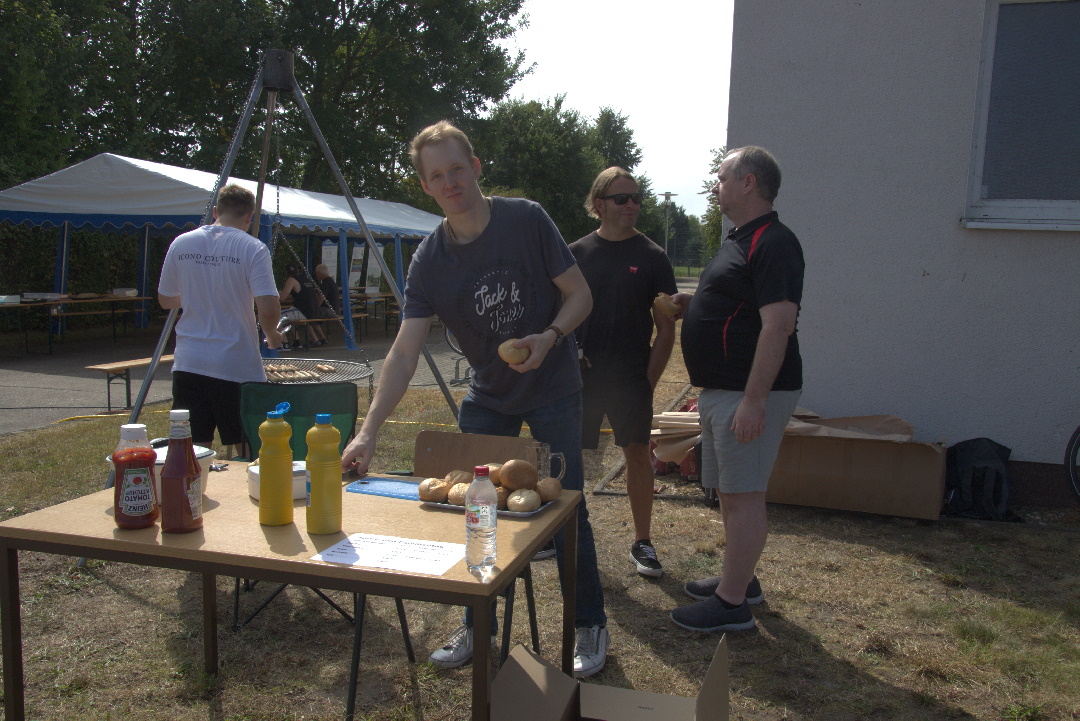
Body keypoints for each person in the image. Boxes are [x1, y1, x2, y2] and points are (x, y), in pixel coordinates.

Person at [340, 120, 609, 678]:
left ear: (476, 167)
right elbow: (404, 352)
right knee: (477, 510)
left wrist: (549, 337)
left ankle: (588, 622)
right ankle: (476, 624)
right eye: (437, 176)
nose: (450, 182)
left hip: (554, 387)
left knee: (567, 509)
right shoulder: (429, 260)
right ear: (426, 186)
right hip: (489, 398)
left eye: (457, 169)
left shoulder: (526, 219)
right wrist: (368, 430)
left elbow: (580, 295)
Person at [669, 146, 804, 632]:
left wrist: (754, 400)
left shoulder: (775, 242)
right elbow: (741, 305)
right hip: (724, 390)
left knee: (744, 495)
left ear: (749, 182)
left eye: (722, 177)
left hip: (747, 393)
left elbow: (778, 325)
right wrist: (696, 304)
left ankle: (731, 606)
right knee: (730, 492)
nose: (715, 186)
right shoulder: (742, 240)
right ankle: (741, 581)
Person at [569, 167, 677, 578]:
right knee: (569, 455)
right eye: (622, 198)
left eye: (636, 197)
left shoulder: (652, 257)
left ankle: (643, 542)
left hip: (631, 378)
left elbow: (666, 329)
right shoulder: (575, 254)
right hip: (581, 377)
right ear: (600, 204)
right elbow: (560, 316)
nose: (632, 204)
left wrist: (648, 382)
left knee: (636, 454)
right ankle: (560, 535)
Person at [157, 183, 284, 459]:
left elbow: (165, 299)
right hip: (235, 364)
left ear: (216, 211)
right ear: (249, 216)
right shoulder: (253, 248)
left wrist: (197, 295)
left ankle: (194, 485)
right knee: (246, 445)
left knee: (192, 449)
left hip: (190, 362)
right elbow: (268, 306)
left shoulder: (181, 243)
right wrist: (272, 334)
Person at [279, 263, 328, 348]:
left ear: (286, 273)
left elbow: (282, 298)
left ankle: (284, 343)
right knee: (289, 316)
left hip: (302, 311)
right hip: (312, 311)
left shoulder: (291, 280)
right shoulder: (306, 279)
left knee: (277, 316)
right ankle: (296, 342)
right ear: (298, 271)